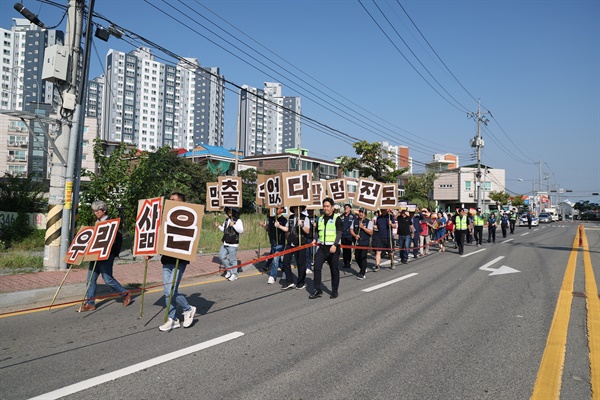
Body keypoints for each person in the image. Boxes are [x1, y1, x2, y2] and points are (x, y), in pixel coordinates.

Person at [81, 200, 130, 312]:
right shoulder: (96, 222)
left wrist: (114, 252)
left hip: (106, 255)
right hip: (94, 254)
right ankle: (90, 303)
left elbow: (117, 239)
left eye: (97, 210)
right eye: (94, 210)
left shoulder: (111, 223)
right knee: (90, 279)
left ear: (104, 210)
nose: (95, 213)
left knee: (107, 279)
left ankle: (124, 293)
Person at [158, 193, 197, 332]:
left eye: (174, 200)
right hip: (166, 260)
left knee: (171, 290)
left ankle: (188, 309)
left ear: (182, 202)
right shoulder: (167, 217)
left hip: (179, 261)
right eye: (170, 200)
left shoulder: (189, 218)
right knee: (167, 292)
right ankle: (172, 319)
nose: (171, 201)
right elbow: (161, 237)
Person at [309, 197, 342, 299]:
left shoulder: (337, 218)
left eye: (328, 206)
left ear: (332, 207)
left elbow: (339, 233)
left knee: (334, 270)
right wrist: (315, 239)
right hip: (322, 248)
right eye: (324, 206)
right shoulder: (321, 219)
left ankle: (334, 291)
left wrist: (335, 245)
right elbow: (318, 232)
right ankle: (318, 290)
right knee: (317, 267)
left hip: (333, 249)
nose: (326, 208)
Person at [279, 205, 310, 290]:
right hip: (290, 242)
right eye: (295, 208)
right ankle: (289, 281)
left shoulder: (305, 218)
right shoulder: (291, 217)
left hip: (301, 243)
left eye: (298, 208)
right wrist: (279, 226)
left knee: (300, 263)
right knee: (285, 261)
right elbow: (287, 229)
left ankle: (301, 282)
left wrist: (302, 225)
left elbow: (307, 231)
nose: (297, 210)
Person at [259, 207, 286, 284]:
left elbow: (287, 230)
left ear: (282, 210)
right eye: (276, 208)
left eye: (278, 208)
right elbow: (268, 229)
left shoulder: (284, 220)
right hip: (273, 242)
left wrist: (279, 226)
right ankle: (285, 271)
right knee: (278, 260)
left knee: (275, 260)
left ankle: (272, 276)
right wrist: (263, 225)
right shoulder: (271, 218)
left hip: (280, 243)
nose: (276, 210)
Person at [215, 207, 244, 281]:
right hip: (225, 242)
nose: (229, 213)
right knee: (221, 256)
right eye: (228, 211)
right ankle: (229, 270)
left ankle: (234, 274)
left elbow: (241, 230)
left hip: (233, 243)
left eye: (230, 211)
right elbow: (224, 230)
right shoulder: (226, 220)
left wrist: (233, 225)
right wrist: (218, 226)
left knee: (232, 260)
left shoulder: (238, 221)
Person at [350, 207, 373, 279]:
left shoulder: (369, 222)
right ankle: (363, 267)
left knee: (363, 257)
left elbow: (371, 232)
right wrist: (355, 235)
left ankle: (362, 273)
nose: (360, 214)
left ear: (365, 214)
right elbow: (351, 229)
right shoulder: (355, 221)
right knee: (357, 257)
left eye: (362, 212)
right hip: (357, 243)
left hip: (365, 242)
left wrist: (363, 228)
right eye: (360, 212)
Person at [340, 203, 356, 269]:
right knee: (344, 250)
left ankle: (348, 262)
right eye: (345, 208)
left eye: (347, 207)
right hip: (343, 235)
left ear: (350, 209)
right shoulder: (342, 216)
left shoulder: (353, 216)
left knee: (348, 250)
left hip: (349, 235)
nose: (346, 209)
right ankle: (345, 262)